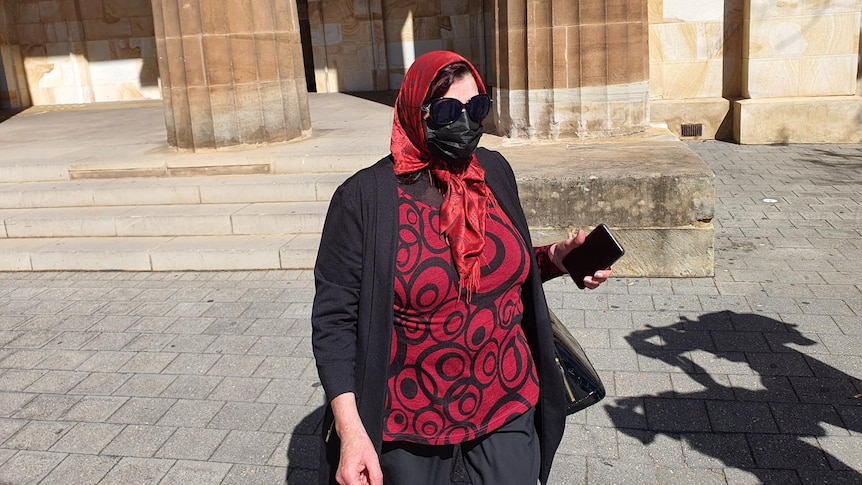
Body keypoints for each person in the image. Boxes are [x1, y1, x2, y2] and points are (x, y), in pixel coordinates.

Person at [311, 50, 612, 485]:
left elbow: (508, 266)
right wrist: (352, 432)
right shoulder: (363, 200)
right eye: (449, 110)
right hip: (409, 425)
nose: (466, 122)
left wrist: (556, 259)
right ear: (417, 112)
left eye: (477, 107)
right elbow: (333, 322)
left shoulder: (493, 172)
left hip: (508, 403)